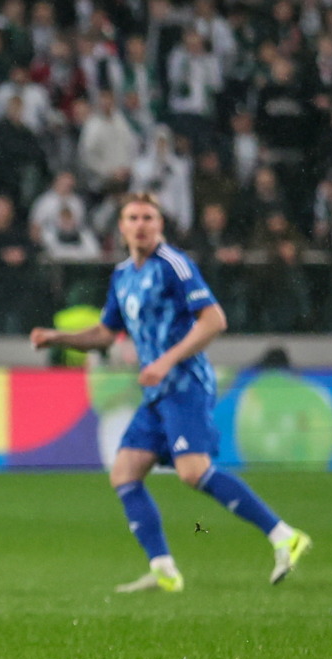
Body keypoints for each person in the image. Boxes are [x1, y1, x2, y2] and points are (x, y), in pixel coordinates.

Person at [30, 192, 312, 593]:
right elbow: (106, 333)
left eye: (149, 217)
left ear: (160, 224)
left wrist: (166, 360)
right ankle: (163, 568)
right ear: (122, 226)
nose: (141, 224)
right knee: (125, 473)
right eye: (133, 217)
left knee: (192, 472)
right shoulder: (123, 275)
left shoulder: (174, 266)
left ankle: (285, 535)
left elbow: (214, 320)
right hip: (157, 393)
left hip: (185, 385)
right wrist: (58, 337)